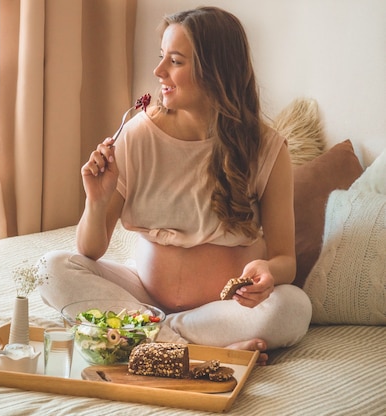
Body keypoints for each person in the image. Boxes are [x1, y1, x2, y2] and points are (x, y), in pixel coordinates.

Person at [38, 6, 311, 364]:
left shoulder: (267, 149)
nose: (158, 71)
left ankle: (146, 337)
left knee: (292, 308)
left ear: (216, 71)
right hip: (143, 296)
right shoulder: (136, 136)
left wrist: (268, 272)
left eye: (176, 61)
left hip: (222, 310)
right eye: (161, 57)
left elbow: (285, 261)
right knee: (49, 268)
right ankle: (188, 349)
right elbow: (89, 251)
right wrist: (96, 200)